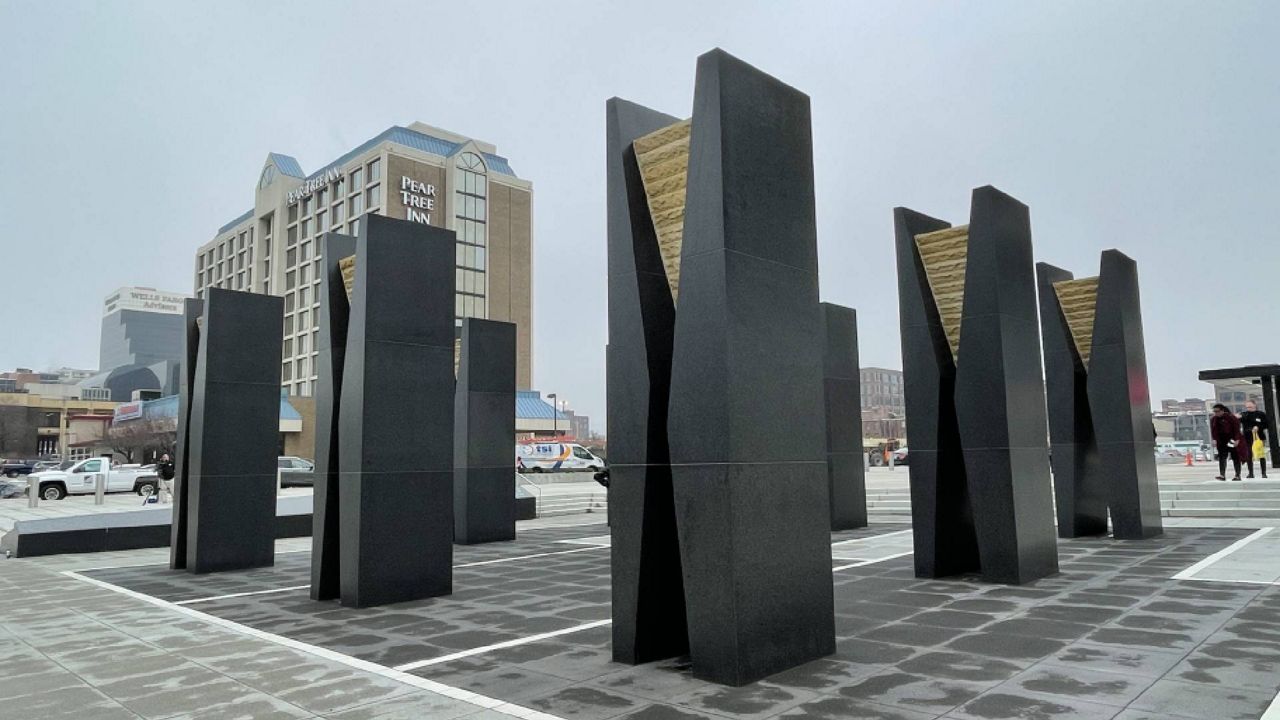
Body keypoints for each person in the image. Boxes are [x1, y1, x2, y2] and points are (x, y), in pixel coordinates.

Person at [1210, 404, 1244, 481]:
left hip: (1231, 439)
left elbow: (1236, 429)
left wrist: (1237, 439)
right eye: (1214, 411)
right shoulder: (1214, 419)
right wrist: (1214, 439)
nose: (1216, 413)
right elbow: (1213, 430)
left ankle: (1237, 475)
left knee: (1235, 457)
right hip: (1221, 441)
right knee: (1222, 458)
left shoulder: (1231, 418)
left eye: (1217, 411)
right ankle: (1222, 475)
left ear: (1222, 411)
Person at [1241, 400, 1270, 479]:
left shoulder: (1261, 414)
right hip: (1247, 437)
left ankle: (1263, 473)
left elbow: (1266, 424)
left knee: (1261, 454)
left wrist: (1258, 427)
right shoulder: (1244, 414)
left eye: (1250, 407)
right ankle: (1251, 473)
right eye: (1247, 407)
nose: (1248, 408)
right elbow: (1238, 420)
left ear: (1255, 405)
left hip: (1259, 437)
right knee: (1249, 455)